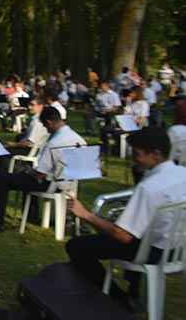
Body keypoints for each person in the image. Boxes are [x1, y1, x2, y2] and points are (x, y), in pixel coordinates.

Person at [66, 127, 186, 307]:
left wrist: (85, 215)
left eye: (137, 154)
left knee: (77, 246)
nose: (133, 159)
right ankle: (133, 289)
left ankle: (119, 299)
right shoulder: (182, 173)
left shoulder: (150, 187)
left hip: (156, 252)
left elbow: (122, 235)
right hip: (178, 247)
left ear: (156, 154)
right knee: (131, 230)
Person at [0, 106, 85, 232]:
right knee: (24, 179)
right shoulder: (79, 139)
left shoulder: (54, 143)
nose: (46, 130)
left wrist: (28, 171)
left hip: (51, 184)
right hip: (70, 183)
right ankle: (31, 216)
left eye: (45, 126)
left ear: (49, 122)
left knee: (1, 179)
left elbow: (40, 174)